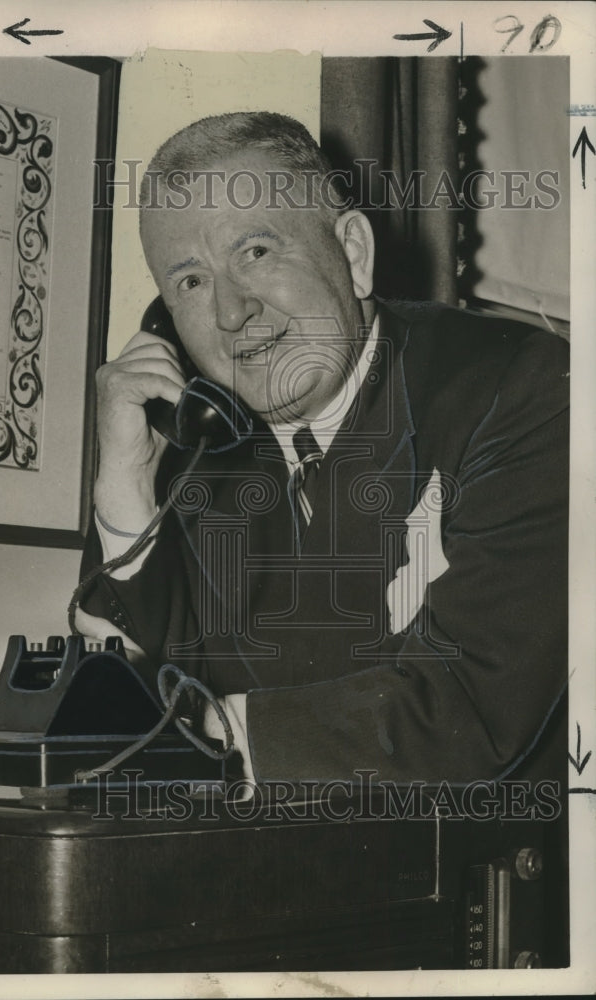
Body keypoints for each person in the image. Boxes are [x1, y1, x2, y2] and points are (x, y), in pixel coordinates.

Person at [74, 111, 569, 789]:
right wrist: (126, 485)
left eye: (255, 252)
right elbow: (106, 714)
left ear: (354, 254)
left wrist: (206, 739)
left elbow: (472, 707)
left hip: (465, 877)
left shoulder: (520, 387)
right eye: (190, 282)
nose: (230, 313)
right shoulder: (202, 453)